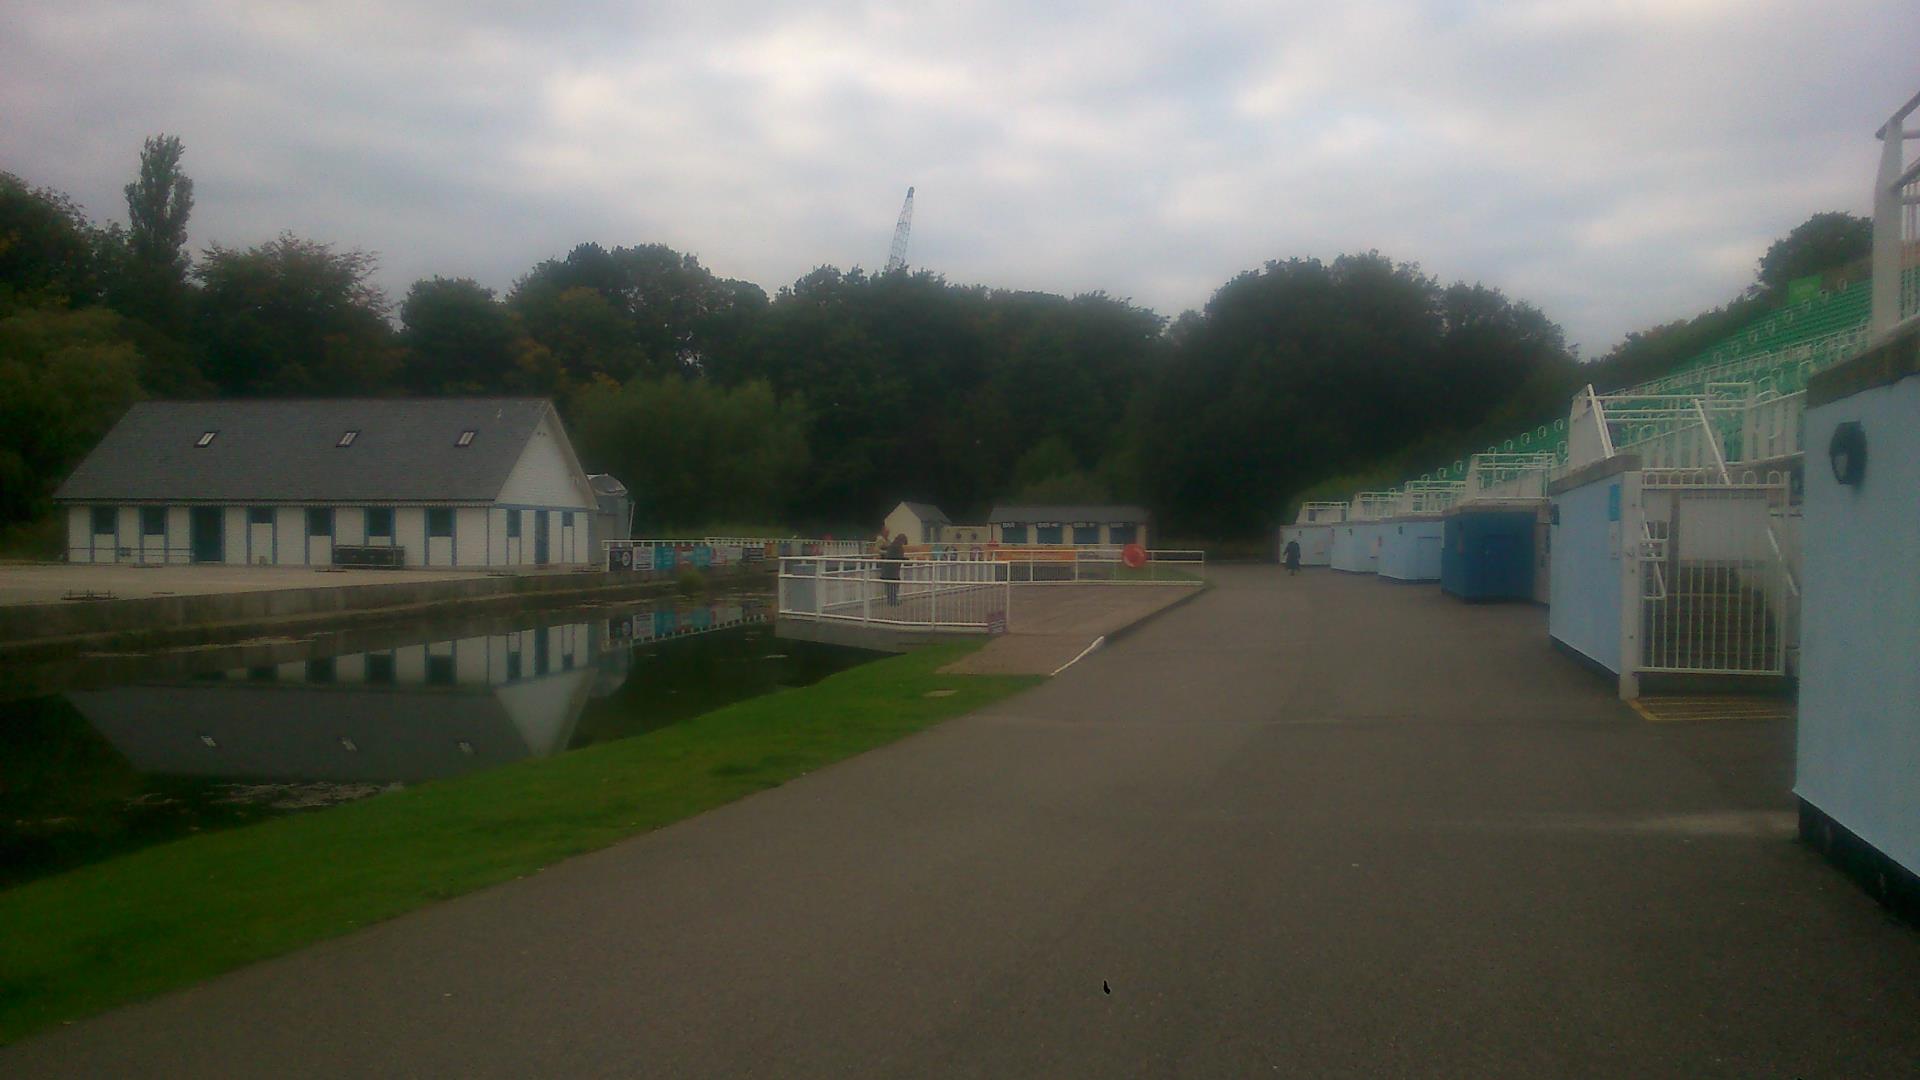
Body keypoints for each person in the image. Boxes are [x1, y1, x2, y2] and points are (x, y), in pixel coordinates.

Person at [883, 532, 907, 605]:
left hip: (889, 569)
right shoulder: (898, 547)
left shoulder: (892, 545)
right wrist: (906, 560)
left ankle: (891, 601)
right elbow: (899, 557)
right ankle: (893, 601)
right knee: (894, 585)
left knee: (891, 585)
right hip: (892, 569)